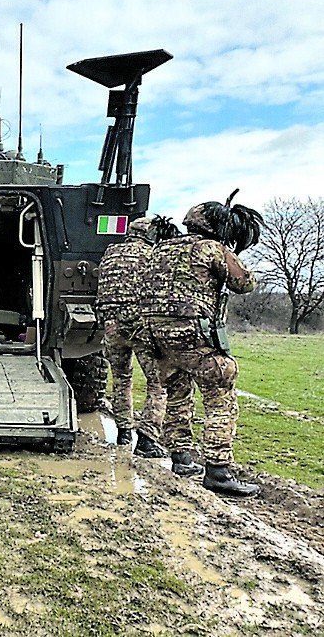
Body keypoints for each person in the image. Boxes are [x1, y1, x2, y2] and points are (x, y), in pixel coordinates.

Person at [141, 195, 263, 496]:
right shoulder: (211, 249)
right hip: (191, 335)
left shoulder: (161, 248)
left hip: (156, 336)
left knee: (177, 394)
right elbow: (244, 283)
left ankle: (181, 459)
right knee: (220, 388)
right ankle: (218, 471)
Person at [96, 216, 180, 457]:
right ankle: (147, 439)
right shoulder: (151, 254)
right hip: (140, 324)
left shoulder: (111, 252)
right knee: (158, 382)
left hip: (111, 324)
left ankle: (123, 432)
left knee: (121, 378)